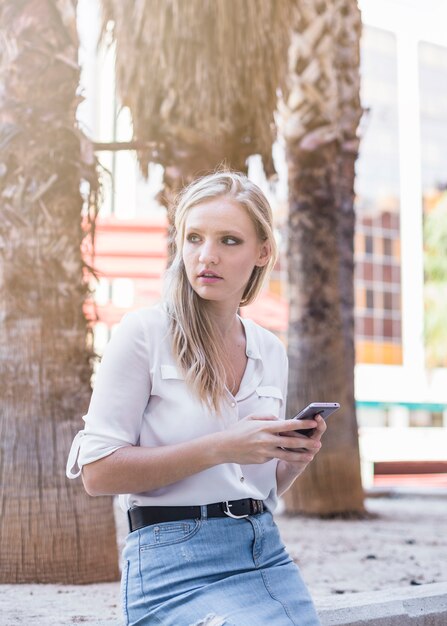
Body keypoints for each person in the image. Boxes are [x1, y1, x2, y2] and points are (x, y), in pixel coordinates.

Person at [66, 170, 326, 626]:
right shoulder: (143, 333)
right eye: (194, 238)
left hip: (261, 548)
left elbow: (257, 487)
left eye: (229, 241)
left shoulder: (269, 350)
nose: (207, 256)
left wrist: (292, 457)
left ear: (262, 251)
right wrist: (223, 446)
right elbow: (98, 472)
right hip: (170, 557)